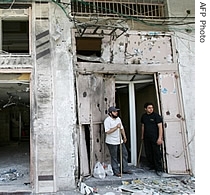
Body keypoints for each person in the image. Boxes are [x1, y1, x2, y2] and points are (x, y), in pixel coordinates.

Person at [104, 106, 132, 177]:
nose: (116, 113)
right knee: (114, 157)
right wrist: (116, 127)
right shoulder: (107, 120)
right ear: (110, 113)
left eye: (116, 111)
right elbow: (107, 131)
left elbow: (122, 128)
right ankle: (116, 171)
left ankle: (125, 169)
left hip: (119, 140)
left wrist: (124, 137)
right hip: (111, 141)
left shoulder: (118, 119)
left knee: (124, 154)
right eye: (114, 112)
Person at [141, 102, 163, 176]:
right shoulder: (144, 116)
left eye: (152, 108)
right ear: (145, 109)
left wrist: (160, 138)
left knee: (156, 153)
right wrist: (142, 135)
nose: (151, 109)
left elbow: (160, 127)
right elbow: (143, 126)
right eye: (149, 108)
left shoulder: (156, 116)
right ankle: (152, 166)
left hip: (155, 137)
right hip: (147, 137)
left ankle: (159, 169)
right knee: (149, 152)